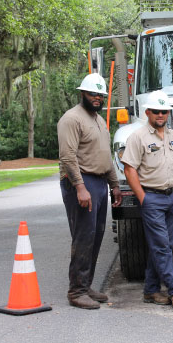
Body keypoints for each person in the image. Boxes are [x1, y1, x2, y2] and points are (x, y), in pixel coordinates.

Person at [57, 73, 122, 309]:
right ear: (82, 93)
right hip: (80, 183)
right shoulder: (71, 119)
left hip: (99, 182)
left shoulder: (98, 120)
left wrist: (114, 184)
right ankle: (76, 291)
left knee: (96, 236)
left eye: (100, 94)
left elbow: (104, 156)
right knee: (84, 236)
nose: (97, 97)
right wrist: (80, 187)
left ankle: (86, 285)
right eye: (93, 93)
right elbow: (67, 157)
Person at [121, 90, 173, 309]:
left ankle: (151, 290)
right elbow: (129, 168)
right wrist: (143, 198)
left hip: (172, 197)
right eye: (156, 111)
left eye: (164, 111)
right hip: (152, 198)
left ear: (168, 113)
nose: (160, 115)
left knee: (163, 245)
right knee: (161, 246)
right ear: (148, 112)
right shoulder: (138, 137)